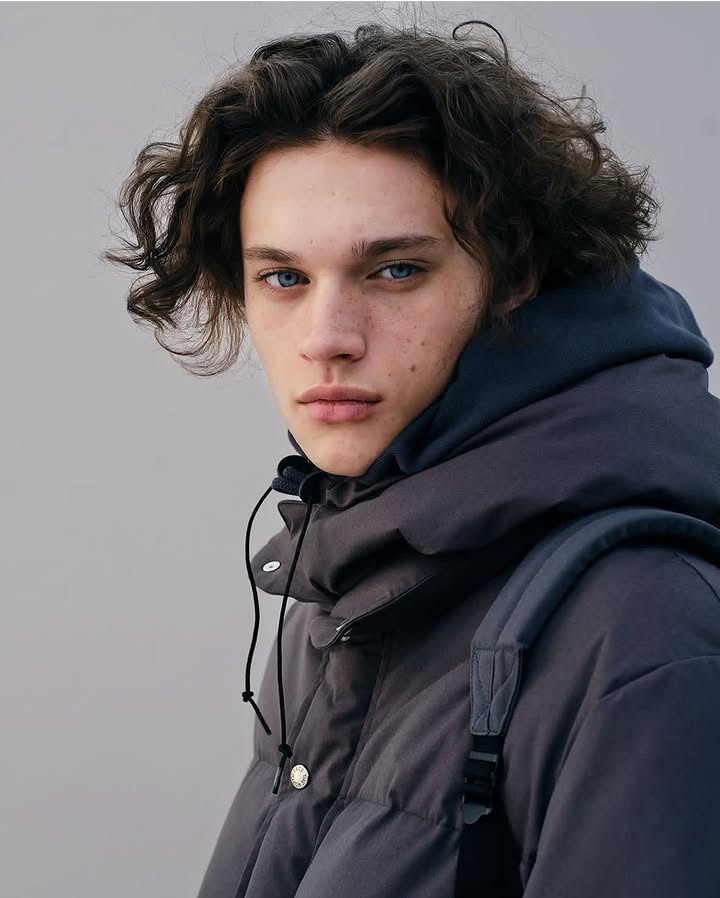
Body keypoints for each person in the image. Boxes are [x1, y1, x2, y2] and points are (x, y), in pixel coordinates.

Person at [102, 17, 720, 898]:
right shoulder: (342, 584)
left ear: (514, 275)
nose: (327, 337)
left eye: (394, 270)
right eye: (283, 277)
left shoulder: (644, 630)